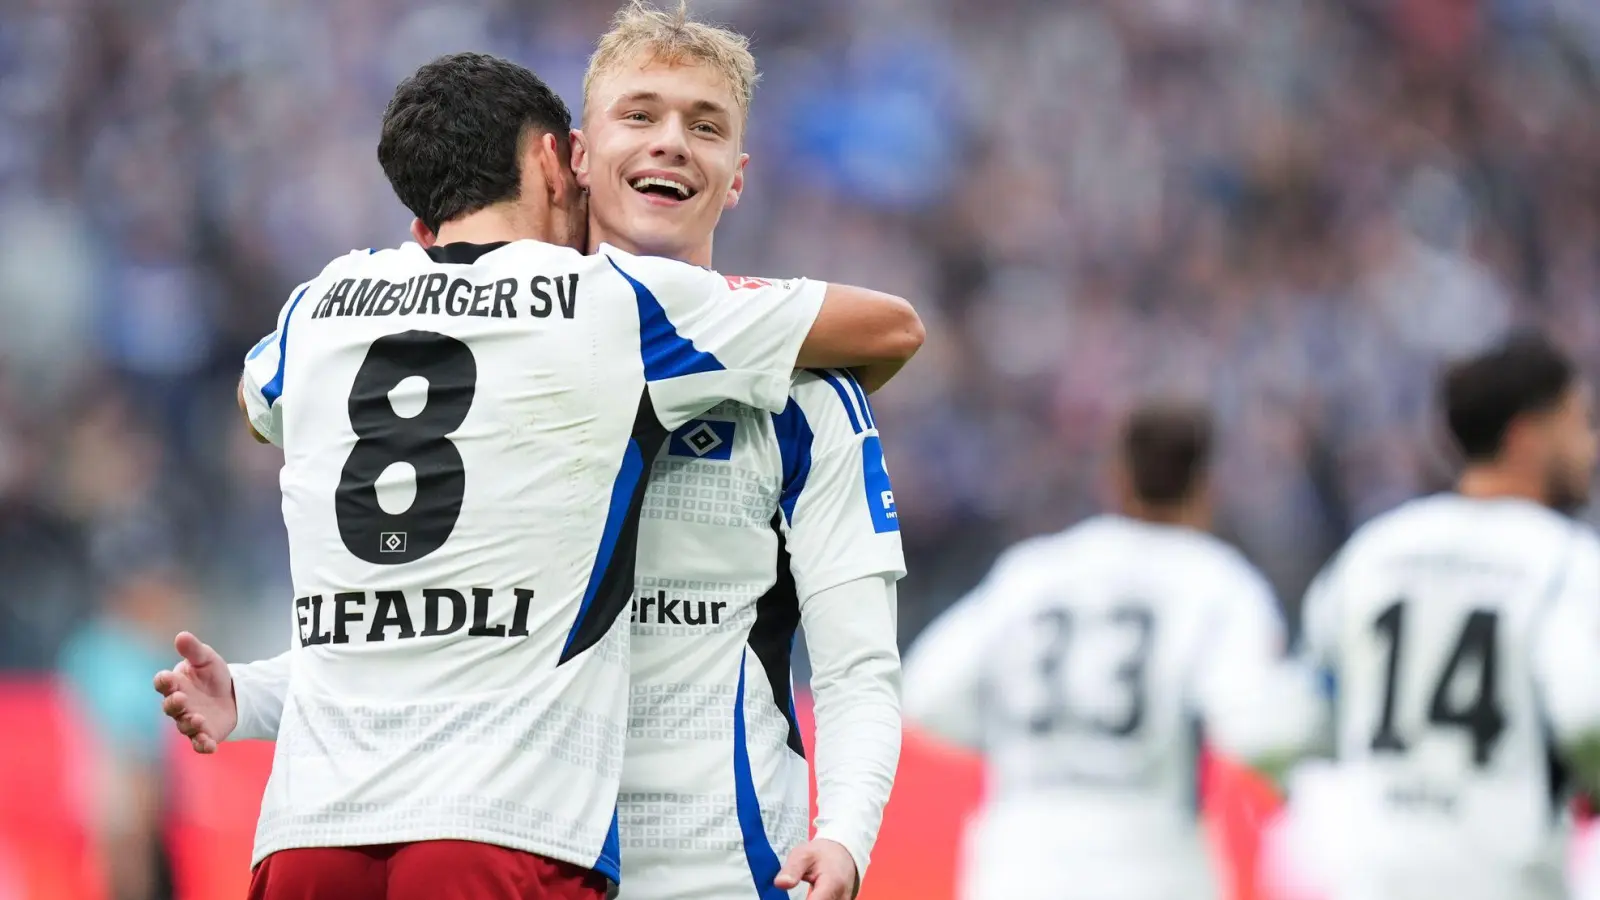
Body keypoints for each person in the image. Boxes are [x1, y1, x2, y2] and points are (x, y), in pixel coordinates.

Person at [160, 6, 910, 899]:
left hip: (717, 872)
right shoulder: (541, 335)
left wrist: (848, 833)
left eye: (704, 126)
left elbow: (858, 662)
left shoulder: (809, 394)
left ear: (737, 175)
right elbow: (443, 623)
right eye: (640, 115)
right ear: (575, 157)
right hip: (528, 842)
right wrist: (258, 697)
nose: (672, 142)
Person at [901, 400, 1317, 900]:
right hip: (1149, 860)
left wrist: (1025, 744)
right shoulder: (1216, 582)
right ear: (1206, 487)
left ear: (1115, 478)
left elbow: (925, 691)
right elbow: (1254, 725)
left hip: (1019, 861)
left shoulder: (1033, 572)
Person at [1294, 331, 1600, 900]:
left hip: (1373, 875)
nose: (1593, 447)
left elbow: (1303, 703)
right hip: (1502, 877)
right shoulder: (1568, 563)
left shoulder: (1374, 549)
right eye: (1581, 423)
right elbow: (1586, 713)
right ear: (1527, 436)